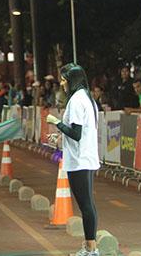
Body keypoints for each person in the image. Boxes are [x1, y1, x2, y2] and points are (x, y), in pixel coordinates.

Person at [46, 63, 100, 256]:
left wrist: (56, 123)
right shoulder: (87, 98)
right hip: (85, 157)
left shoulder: (77, 100)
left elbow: (76, 134)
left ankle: (91, 249)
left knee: (86, 205)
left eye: (64, 79)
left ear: (72, 80)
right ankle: (89, 247)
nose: (62, 83)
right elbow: (80, 133)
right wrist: (60, 137)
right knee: (88, 204)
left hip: (80, 160)